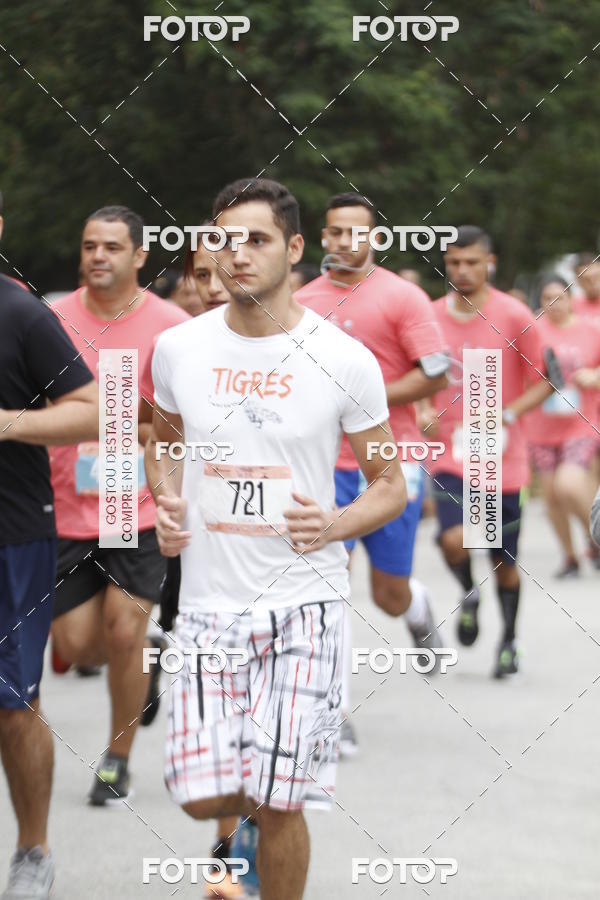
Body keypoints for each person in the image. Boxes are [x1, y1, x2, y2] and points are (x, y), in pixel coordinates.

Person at [145, 177, 406, 900]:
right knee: (203, 794)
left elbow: (390, 484)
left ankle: (265, 834)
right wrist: (166, 498)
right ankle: (243, 825)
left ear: (294, 248)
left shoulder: (342, 358)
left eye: (256, 239)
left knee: (284, 795)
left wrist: (334, 523)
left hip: (306, 602)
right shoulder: (178, 349)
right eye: (225, 240)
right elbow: (162, 443)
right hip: (206, 605)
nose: (238, 255)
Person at [295, 192, 449, 755]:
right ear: (322, 237)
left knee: (386, 593)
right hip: (321, 465)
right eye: (334, 232)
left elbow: (435, 374)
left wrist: (362, 399)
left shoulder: (403, 297)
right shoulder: (300, 301)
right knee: (326, 587)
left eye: (355, 233)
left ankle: (416, 604)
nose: (343, 242)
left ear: (375, 239)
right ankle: (332, 710)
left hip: (390, 461)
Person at [48, 205, 189, 806]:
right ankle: (144, 671)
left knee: (124, 630)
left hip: (139, 505)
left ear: (139, 257)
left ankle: (118, 757)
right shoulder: (50, 320)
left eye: (110, 246)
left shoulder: (173, 327)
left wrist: (122, 422)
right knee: (76, 644)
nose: (97, 256)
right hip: (67, 506)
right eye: (88, 245)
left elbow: (186, 421)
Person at [0, 191, 98, 900]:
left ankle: (32, 849)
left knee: (12, 702)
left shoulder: (21, 312)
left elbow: (92, 408)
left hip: (11, 533)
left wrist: (6, 424)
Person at [421, 226, 553, 677]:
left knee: (500, 558)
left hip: (499, 461)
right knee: (453, 539)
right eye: (454, 262)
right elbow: (412, 371)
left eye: (472, 262)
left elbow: (545, 381)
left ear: (489, 263)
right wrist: (421, 408)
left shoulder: (514, 315)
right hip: (449, 455)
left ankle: (509, 640)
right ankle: (468, 593)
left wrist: (508, 414)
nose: (462, 270)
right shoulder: (429, 316)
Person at [524, 275, 600, 576]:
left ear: (571, 299)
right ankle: (569, 557)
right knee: (552, 495)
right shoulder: (530, 332)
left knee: (569, 484)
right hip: (540, 427)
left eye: (560, 297)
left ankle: (594, 538)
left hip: (580, 422)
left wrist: (595, 377)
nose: (554, 305)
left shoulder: (590, 330)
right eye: (547, 299)